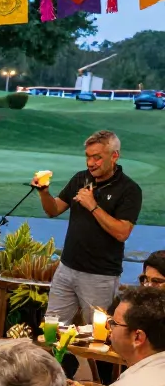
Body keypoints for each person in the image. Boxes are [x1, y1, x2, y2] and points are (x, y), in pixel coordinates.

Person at [35, 130, 142, 326]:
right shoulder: (80, 179)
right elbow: (54, 209)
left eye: (97, 158)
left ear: (114, 156)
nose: (90, 163)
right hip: (66, 269)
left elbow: (122, 233)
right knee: (53, 329)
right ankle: (54, 358)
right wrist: (44, 192)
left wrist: (92, 205)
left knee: (95, 338)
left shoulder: (129, 190)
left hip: (100, 276)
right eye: (88, 157)